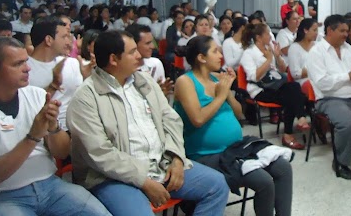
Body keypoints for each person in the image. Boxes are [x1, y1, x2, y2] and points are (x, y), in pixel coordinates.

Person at [66, 31, 229, 215]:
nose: (139, 55)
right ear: (113, 59)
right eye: (132, 52)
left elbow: (171, 120)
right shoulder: (86, 97)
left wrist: (176, 158)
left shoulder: (144, 81)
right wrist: (144, 181)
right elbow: (100, 153)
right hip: (112, 177)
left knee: (217, 185)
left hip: (160, 163)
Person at [0, 36, 110, 216]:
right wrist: (32, 137)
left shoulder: (37, 95)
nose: (27, 68)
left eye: (26, 61)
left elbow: (62, 152)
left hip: (51, 187)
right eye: (18, 64)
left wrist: (53, 128)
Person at [174, 36, 294, 216]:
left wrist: (228, 91)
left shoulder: (216, 79)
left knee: (283, 168)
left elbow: (239, 113)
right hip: (207, 155)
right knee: (264, 181)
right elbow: (197, 119)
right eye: (215, 51)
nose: (220, 56)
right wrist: (221, 96)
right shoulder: (185, 82)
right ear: (201, 57)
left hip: (235, 148)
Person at [306, 15, 351, 180]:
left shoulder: (348, 49)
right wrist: (349, 76)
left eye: (347, 31)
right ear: (329, 30)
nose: (345, 34)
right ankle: (341, 163)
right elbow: (322, 84)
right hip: (330, 99)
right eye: (342, 31)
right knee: (348, 123)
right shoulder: (316, 52)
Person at [240, 23, 310, 149]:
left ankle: (292, 129)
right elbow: (254, 77)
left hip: (275, 85)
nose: (271, 36)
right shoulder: (249, 53)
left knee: (293, 88)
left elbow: (283, 70)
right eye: (267, 33)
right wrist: (267, 60)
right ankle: (295, 125)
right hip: (260, 89)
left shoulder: (270, 48)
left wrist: (277, 56)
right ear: (258, 37)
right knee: (292, 95)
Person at [27, 18, 92, 131]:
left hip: (78, 128)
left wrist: (87, 77)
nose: (69, 42)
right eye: (64, 37)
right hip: (42, 131)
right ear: (48, 40)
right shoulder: (25, 69)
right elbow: (28, 108)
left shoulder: (73, 63)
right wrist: (54, 85)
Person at [126, 24, 174, 98]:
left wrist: (161, 96)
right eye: (148, 43)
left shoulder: (155, 64)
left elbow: (164, 100)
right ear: (134, 45)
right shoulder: (124, 70)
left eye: (152, 42)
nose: (153, 46)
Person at [287, 18, 318, 87]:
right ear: (305, 30)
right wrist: (315, 69)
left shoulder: (317, 46)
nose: (316, 33)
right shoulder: (294, 48)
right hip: (303, 82)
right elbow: (296, 74)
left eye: (317, 30)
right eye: (314, 30)